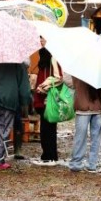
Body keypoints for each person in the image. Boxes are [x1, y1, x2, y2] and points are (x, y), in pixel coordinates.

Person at [32, 37, 63, 166]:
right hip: (42, 97)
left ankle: (49, 157)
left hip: (47, 96)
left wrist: (43, 86)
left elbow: (58, 77)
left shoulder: (53, 57)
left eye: (43, 38)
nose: (40, 41)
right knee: (46, 127)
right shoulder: (44, 55)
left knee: (48, 127)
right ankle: (49, 155)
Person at [69, 77, 101, 173]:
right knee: (96, 138)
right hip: (98, 107)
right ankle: (92, 164)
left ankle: (76, 164)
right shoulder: (99, 72)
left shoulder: (79, 72)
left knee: (80, 137)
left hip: (82, 108)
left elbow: (69, 83)